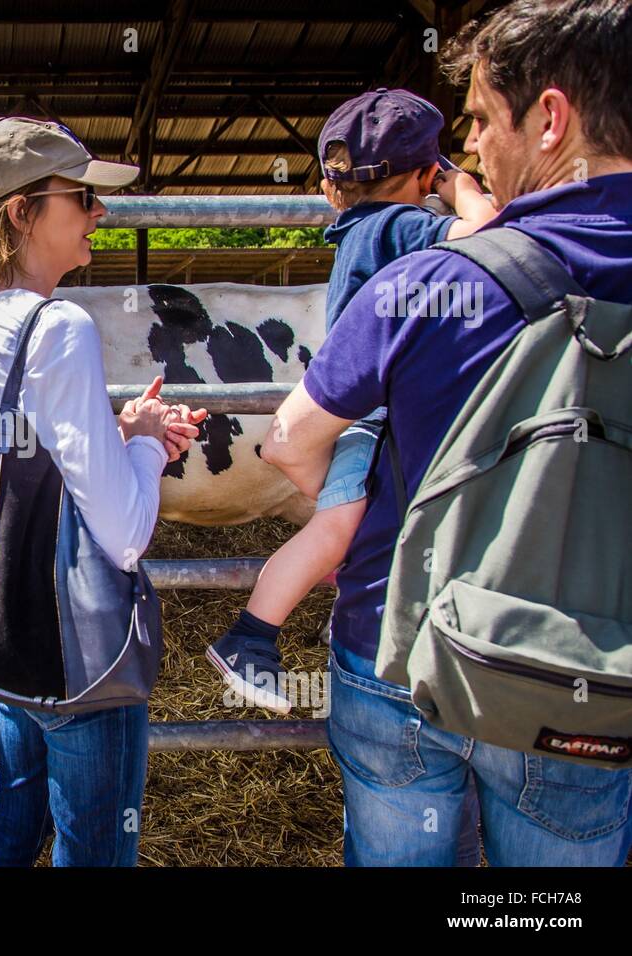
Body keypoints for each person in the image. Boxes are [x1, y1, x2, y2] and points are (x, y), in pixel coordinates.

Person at [260, 0, 632, 865]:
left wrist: (351, 504)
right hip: (593, 676)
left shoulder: (426, 281)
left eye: (477, 121)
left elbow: (287, 442)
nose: (471, 154)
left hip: (406, 652)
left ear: (549, 118)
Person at [0, 116, 205, 866]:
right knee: (95, 850)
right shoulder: (61, 326)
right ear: (23, 211)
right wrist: (149, 442)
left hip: (1, 628)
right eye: (81, 197)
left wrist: (114, 431)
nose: (99, 212)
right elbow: (123, 532)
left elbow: (16, 473)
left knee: (16, 818)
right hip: (78, 649)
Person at [207, 89, 497, 713]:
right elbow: (496, 241)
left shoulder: (357, 233)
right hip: (375, 416)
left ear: (332, 185)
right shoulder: (404, 225)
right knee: (334, 530)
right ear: (425, 174)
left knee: (340, 526)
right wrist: (463, 191)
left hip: (348, 414)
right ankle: (249, 638)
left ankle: (269, 632)